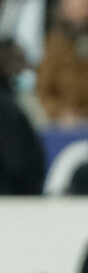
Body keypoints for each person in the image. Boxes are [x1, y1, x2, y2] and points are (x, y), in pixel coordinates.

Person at [0, 39, 46, 195]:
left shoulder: (10, 98)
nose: (23, 66)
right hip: (12, 197)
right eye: (18, 59)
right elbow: (17, 160)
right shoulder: (5, 105)